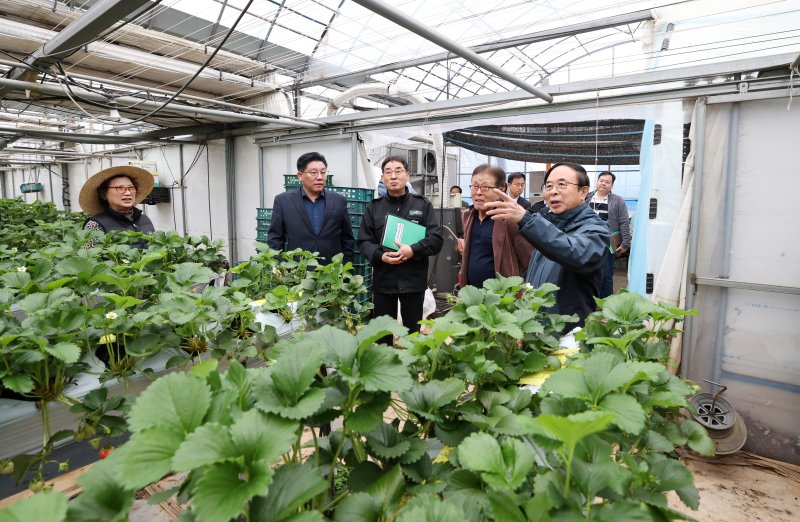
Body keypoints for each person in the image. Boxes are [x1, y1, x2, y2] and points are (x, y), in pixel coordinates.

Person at [484, 162, 610, 330]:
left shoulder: (596, 229)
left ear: (583, 192)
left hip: (568, 334)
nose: (553, 191)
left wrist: (526, 219)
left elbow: (575, 252)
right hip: (538, 331)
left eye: (562, 185)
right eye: (548, 186)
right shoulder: (546, 225)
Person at [358, 156, 443, 340]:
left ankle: (412, 367)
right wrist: (380, 256)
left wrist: (413, 250)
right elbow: (364, 241)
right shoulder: (374, 208)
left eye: (398, 171)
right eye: (388, 172)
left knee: (412, 334)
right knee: (382, 335)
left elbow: (435, 239)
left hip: (413, 281)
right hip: (384, 282)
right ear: (382, 178)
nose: (393, 176)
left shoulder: (422, 205)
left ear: (408, 176)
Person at [268, 152, 355, 264]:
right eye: (313, 173)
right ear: (300, 175)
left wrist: (345, 269)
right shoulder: (283, 201)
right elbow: (275, 239)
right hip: (297, 273)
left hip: (331, 273)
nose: (320, 177)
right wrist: (282, 268)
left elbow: (347, 239)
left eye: (323, 172)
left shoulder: (338, 201)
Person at [456, 165, 533, 289]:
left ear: (501, 190)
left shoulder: (509, 219)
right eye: (475, 186)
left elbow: (528, 259)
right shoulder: (468, 215)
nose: (478, 192)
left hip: (501, 299)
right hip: (472, 294)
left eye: (485, 187)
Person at [80, 166, 155, 244]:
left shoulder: (144, 219)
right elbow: (90, 254)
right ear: (104, 194)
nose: (128, 193)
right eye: (120, 188)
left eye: (131, 188)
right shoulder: (95, 225)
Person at [586, 171, 631, 298]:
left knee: (606, 276)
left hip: (606, 243)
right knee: (587, 273)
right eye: (601, 181)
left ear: (612, 185)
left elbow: (624, 222)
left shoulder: (617, 200)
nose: (604, 184)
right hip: (586, 241)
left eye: (607, 182)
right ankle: (588, 302)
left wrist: (625, 243)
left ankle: (606, 305)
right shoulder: (587, 197)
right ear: (597, 182)